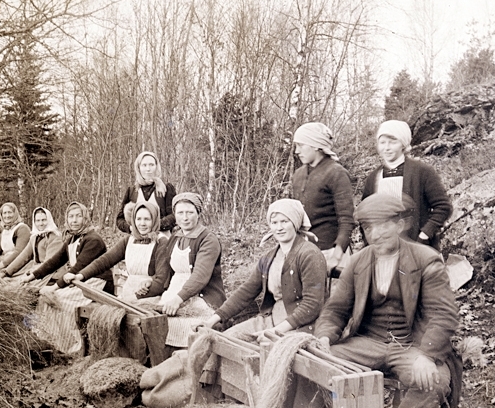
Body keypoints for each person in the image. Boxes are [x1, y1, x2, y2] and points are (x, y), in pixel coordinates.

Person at [261, 193, 461, 408]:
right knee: (312, 363)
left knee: (435, 380)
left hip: (412, 347)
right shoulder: (358, 262)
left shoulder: (426, 260)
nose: (375, 234)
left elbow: (444, 315)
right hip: (367, 343)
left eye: (383, 225)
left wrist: (427, 355)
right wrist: (325, 338)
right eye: (368, 228)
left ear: (400, 224)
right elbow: (335, 310)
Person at [203, 199, 326, 340]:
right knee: (225, 340)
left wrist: (275, 331)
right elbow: (246, 292)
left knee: (263, 348)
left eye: (285, 221)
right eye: (274, 223)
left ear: (295, 223)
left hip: (299, 325)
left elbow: (312, 304)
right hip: (271, 318)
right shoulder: (269, 257)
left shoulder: (309, 254)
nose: (279, 228)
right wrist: (212, 320)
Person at [139, 192, 226, 354]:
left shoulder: (208, 240)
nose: (185, 218)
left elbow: (200, 277)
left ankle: (184, 361)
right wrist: (152, 280)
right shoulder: (176, 237)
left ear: (198, 213)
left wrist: (178, 299)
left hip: (201, 299)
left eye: (190, 212)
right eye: (180, 213)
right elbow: (167, 269)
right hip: (173, 293)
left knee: (183, 327)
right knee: (150, 321)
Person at [362, 120, 452, 250]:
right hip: (383, 250)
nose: (386, 148)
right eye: (382, 142)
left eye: (393, 142)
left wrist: (424, 235)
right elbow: (365, 215)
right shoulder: (373, 177)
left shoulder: (422, 171)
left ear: (403, 144)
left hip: (417, 249)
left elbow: (443, 207)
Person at [291, 122, 355, 275]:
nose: (297, 151)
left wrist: (336, 256)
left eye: (301, 145)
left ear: (316, 146)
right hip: (303, 252)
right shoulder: (298, 174)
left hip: (330, 252)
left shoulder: (336, 173)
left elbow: (347, 219)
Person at [74, 201, 166, 302]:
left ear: (154, 220)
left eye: (147, 219)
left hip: (150, 296)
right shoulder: (129, 240)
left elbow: (161, 281)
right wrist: (81, 275)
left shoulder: (161, 242)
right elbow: (106, 260)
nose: (142, 223)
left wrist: (135, 297)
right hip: (129, 292)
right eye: (138, 219)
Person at [21, 201, 113, 292]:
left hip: (97, 282)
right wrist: (32, 276)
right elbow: (54, 262)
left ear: (85, 218)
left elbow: (79, 267)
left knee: (53, 296)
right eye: (71, 216)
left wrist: (54, 287)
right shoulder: (72, 239)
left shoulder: (93, 240)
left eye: (79, 216)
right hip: (78, 279)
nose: (74, 220)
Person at [116, 151, 177, 234]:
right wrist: (131, 228)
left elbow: (174, 215)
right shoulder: (132, 190)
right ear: (138, 168)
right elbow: (119, 219)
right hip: (137, 238)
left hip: (161, 237)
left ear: (157, 167)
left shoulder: (166, 188)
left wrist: (154, 226)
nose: (148, 169)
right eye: (144, 165)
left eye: (151, 165)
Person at [1, 207, 62, 280]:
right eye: (38, 221)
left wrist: (32, 273)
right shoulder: (35, 237)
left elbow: (49, 263)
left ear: (49, 220)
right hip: (38, 271)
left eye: (44, 220)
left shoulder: (54, 238)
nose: (41, 223)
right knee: (9, 280)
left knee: (20, 282)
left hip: (51, 273)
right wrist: (7, 272)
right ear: (34, 222)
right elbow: (24, 256)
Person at [0, 202, 30, 269]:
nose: (7, 216)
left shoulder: (22, 228)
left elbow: (19, 252)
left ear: (15, 213)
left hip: (20, 264)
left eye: (10, 212)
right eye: (4, 213)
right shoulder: (5, 230)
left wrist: (0, 265)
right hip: (7, 263)